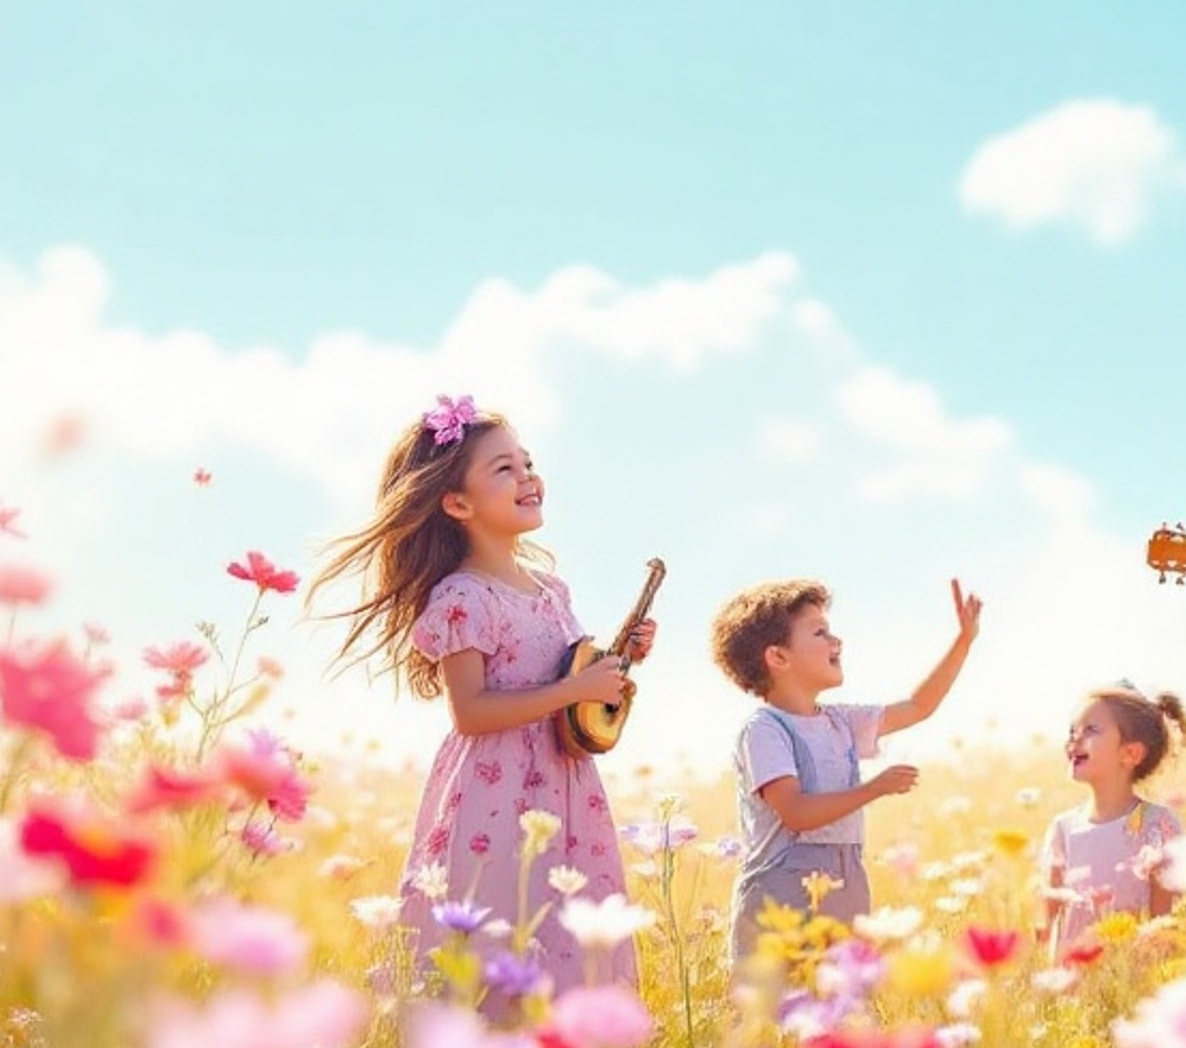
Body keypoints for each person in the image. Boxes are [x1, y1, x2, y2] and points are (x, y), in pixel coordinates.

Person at [309, 394, 649, 1009]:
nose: (528, 477)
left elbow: (569, 684)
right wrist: (577, 688)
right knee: (496, 933)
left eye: (527, 462)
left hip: (563, 790)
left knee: (562, 932)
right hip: (498, 797)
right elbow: (470, 712)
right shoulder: (463, 597)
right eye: (504, 469)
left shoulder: (552, 589)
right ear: (458, 504)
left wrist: (617, 663)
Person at [711, 575, 982, 967]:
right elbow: (796, 812)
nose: (837, 642)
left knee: (843, 1005)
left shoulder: (841, 721)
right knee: (777, 1011)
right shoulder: (765, 730)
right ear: (778, 657)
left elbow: (918, 706)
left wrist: (964, 641)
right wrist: (873, 789)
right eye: (820, 632)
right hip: (780, 894)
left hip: (845, 882)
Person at [1040, 685, 1186, 957]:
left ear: (1130, 754)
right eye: (1072, 731)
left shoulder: (1157, 825)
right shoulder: (1063, 829)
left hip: (1133, 983)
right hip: (1075, 988)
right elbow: (1051, 928)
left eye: (1091, 730)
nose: (1074, 739)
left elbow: (1166, 924)